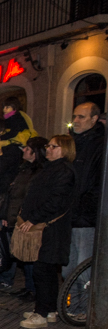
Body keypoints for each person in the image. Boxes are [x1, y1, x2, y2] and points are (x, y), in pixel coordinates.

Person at [17, 135, 76, 329]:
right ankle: (49, 309)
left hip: (51, 228)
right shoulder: (49, 168)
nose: (48, 149)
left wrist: (34, 219)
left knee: (43, 269)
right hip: (45, 226)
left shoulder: (64, 171)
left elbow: (56, 201)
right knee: (47, 270)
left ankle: (41, 313)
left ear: (64, 149)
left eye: (54, 146)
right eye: (48, 146)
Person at [0, 136, 47, 302]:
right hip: (17, 217)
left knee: (30, 254)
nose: (23, 150)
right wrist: (8, 216)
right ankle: (29, 287)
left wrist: (26, 217)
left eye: (27, 148)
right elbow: (13, 195)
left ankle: (34, 289)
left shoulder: (39, 172)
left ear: (35, 152)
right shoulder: (24, 169)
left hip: (28, 219)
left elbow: (29, 197)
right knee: (22, 255)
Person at [64, 101, 104, 279]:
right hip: (69, 215)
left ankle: (83, 306)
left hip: (86, 218)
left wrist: (84, 207)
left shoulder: (99, 145)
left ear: (94, 119)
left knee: (83, 269)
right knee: (68, 267)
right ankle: (70, 306)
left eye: (81, 117)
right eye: (74, 116)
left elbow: (95, 184)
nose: (76, 120)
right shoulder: (73, 143)